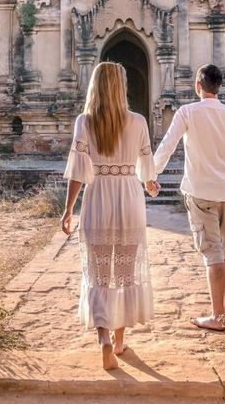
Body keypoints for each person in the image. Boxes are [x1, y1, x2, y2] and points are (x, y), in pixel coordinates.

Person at [61, 62, 159, 370]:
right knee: (125, 273)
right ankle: (119, 342)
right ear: (122, 87)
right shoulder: (139, 121)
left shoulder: (84, 122)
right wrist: (150, 183)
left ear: (94, 86)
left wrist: (67, 210)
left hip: (98, 196)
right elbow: (147, 171)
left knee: (100, 272)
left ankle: (103, 338)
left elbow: (77, 173)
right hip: (129, 196)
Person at [153, 64, 225, 332]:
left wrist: (151, 174)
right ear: (220, 86)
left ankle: (217, 316)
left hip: (201, 193)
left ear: (197, 85)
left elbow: (167, 145)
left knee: (213, 253)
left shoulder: (188, 112)